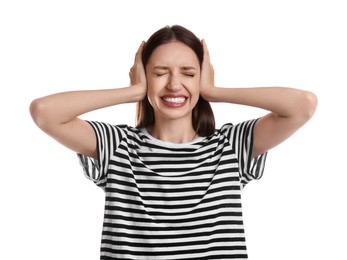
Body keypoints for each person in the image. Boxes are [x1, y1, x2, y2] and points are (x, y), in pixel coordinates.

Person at [30, 25, 318, 260]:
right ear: (144, 76)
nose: (173, 84)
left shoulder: (231, 146)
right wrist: (133, 91)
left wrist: (213, 91)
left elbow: (303, 105)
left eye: (188, 73)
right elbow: (44, 112)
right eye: (159, 73)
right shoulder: (116, 146)